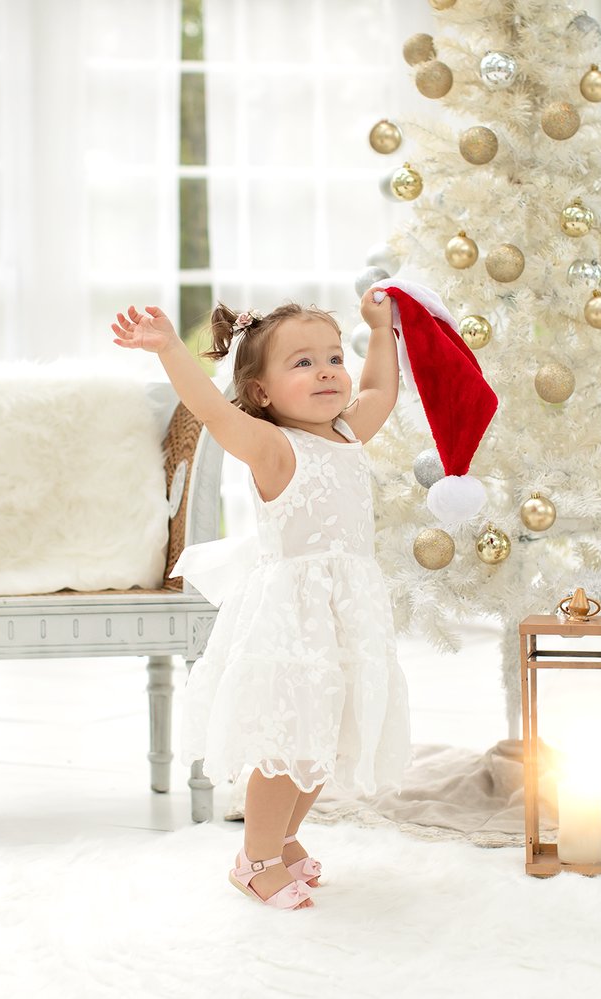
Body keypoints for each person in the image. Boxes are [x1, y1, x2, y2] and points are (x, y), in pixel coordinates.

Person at [109, 293, 412, 911]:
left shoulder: (348, 434)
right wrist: (170, 347)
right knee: (288, 743)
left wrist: (382, 331)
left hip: (346, 619)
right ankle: (256, 858)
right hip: (295, 623)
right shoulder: (276, 449)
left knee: (326, 737)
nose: (328, 370)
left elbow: (381, 390)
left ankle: (286, 837)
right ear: (263, 392)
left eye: (332, 358)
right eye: (303, 363)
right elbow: (213, 411)